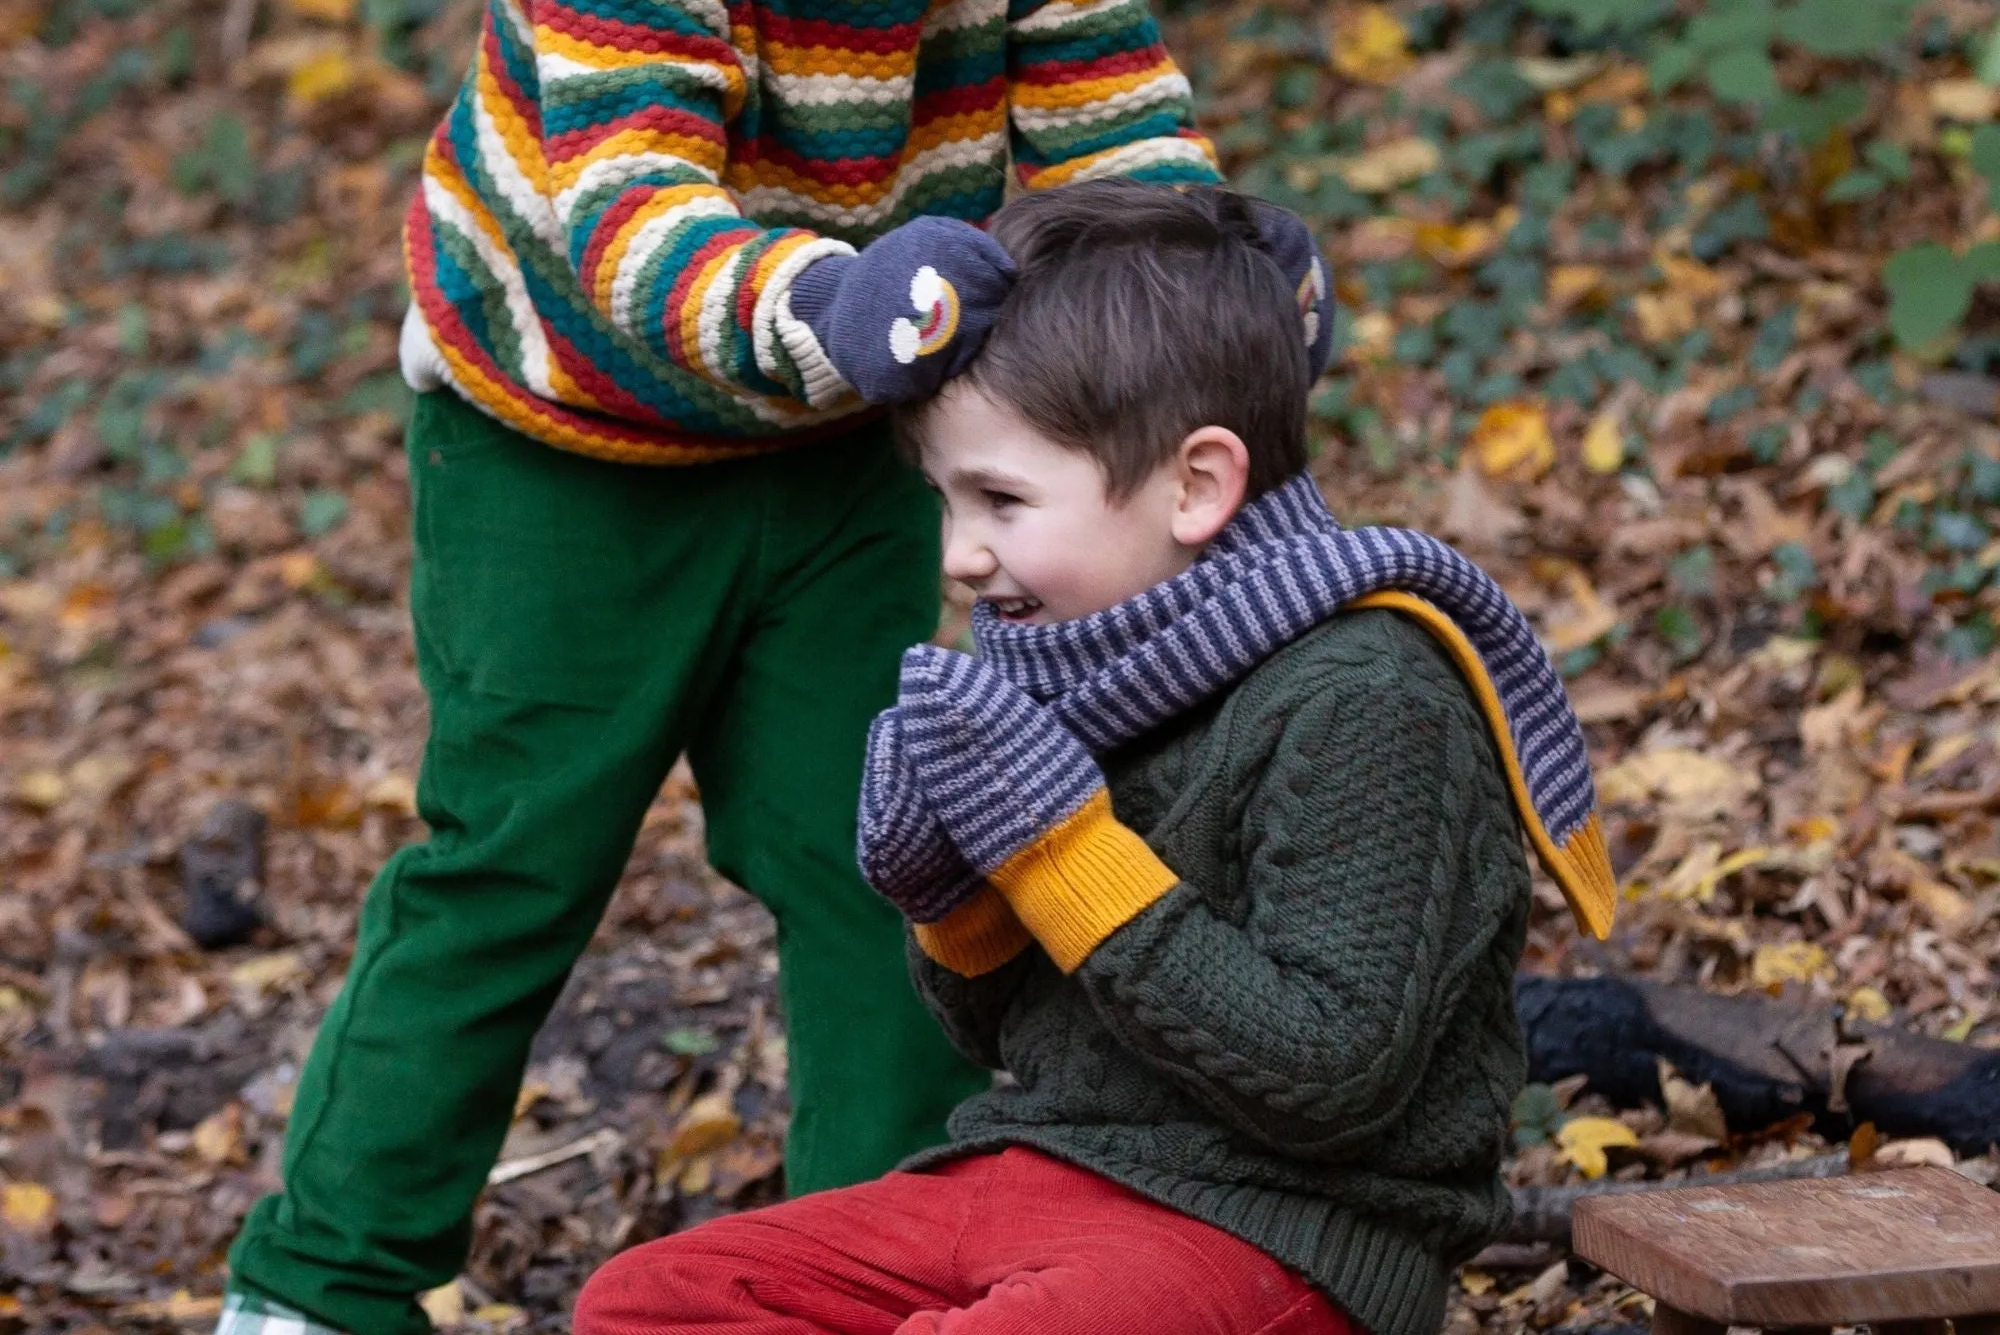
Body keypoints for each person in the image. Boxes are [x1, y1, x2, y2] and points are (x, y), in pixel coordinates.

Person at [218, 0, 1315, 1335]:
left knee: (884, 857)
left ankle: (884, 1257)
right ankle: (321, 1286)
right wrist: (824, 304)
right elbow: (622, 217)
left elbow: (1105, 113)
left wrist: (1203, 266)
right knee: (514, 861)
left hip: (843, 442)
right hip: (566, 439)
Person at [572, 180, 1615, 1335]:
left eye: (1002, 499)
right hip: (1045, 1172)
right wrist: (951, 900)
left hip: (1283, 1228)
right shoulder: (1071, 666)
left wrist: (1059, 850)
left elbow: (1329, 1077)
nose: (961, 554)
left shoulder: (1365, 691)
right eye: (943, 498)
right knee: (653, 1300)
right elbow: (1011, 1036)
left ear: (1195, 484)